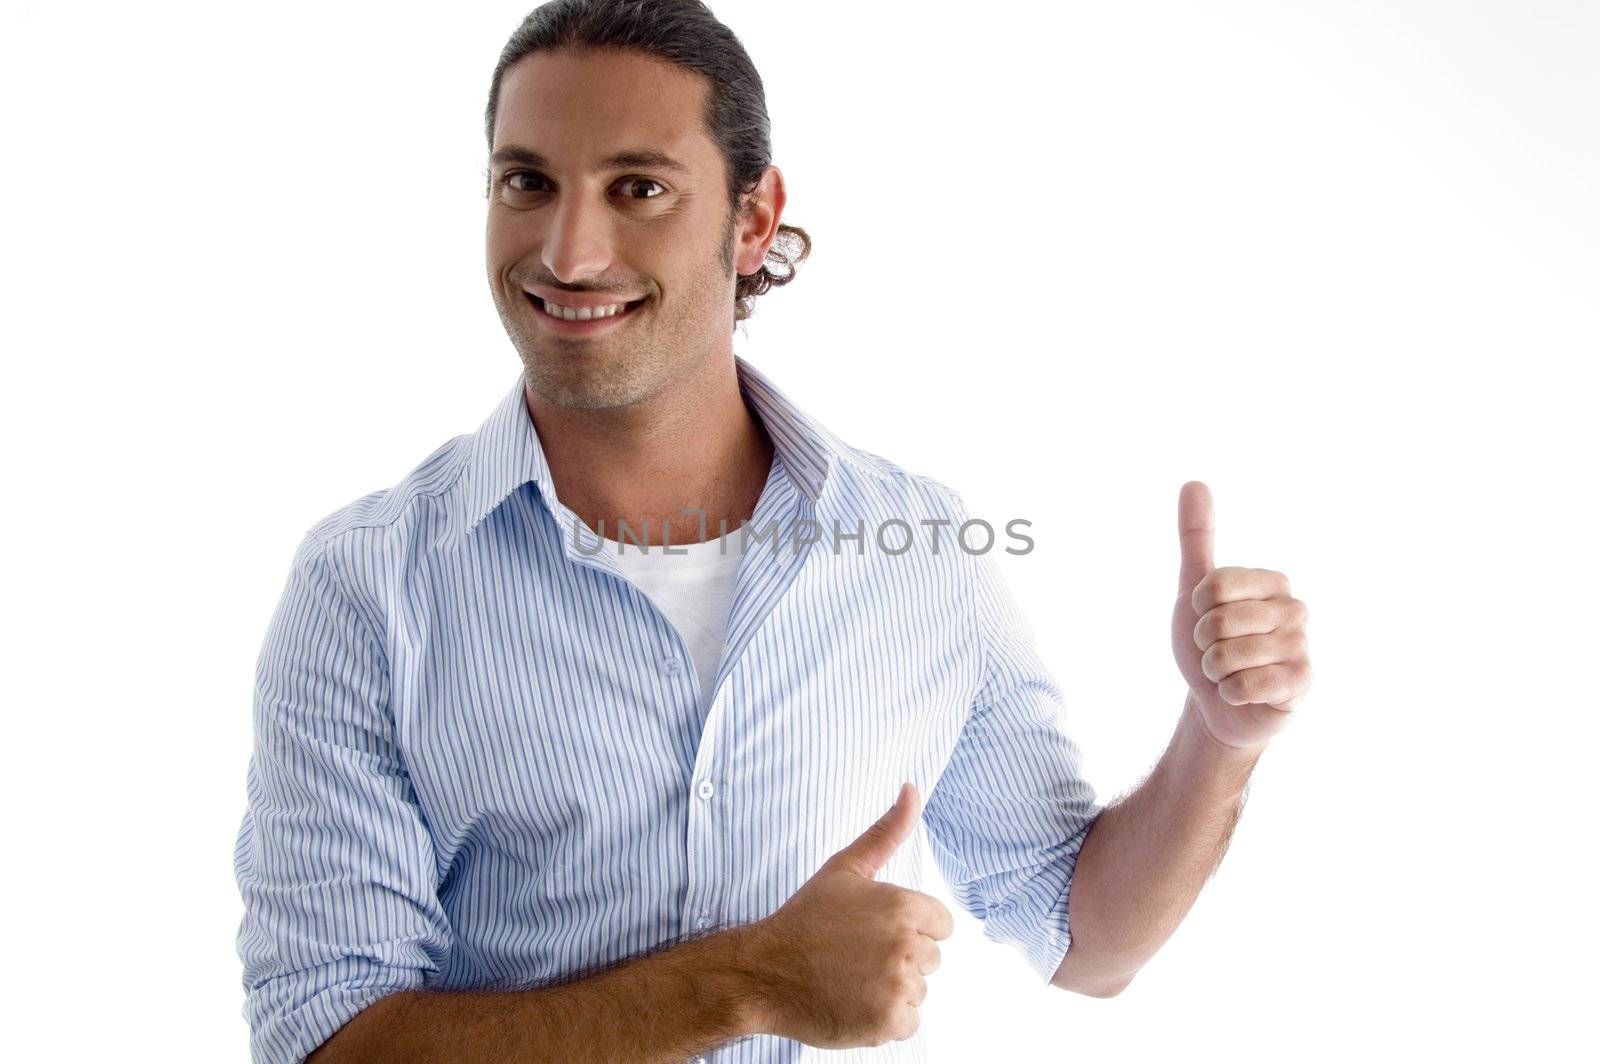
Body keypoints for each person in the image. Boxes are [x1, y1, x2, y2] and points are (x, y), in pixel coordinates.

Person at [232, 2, 1314, 1062]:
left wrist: (1218, 740)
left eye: (638, 187)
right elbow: (330, 1038)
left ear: (752, 220)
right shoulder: (366, 584)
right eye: (527, 183)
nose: (568, 249)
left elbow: (1080, 935)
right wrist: (747, 979)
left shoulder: (918, 547)